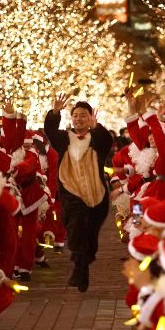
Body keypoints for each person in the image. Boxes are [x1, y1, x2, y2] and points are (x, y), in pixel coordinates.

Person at [44, 93, 113, 293]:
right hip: (71, 193)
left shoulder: (97, 139)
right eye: (75, 115)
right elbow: (50, 130)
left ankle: (83, 265)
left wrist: (96, 127)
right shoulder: (64, 139)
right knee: (76, 227)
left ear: (90, 117)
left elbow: (106, 141)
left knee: (90, 237)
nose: (78, 119)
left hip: (95, 194)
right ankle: (79, 268)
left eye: (83, 115)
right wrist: (55, 112)